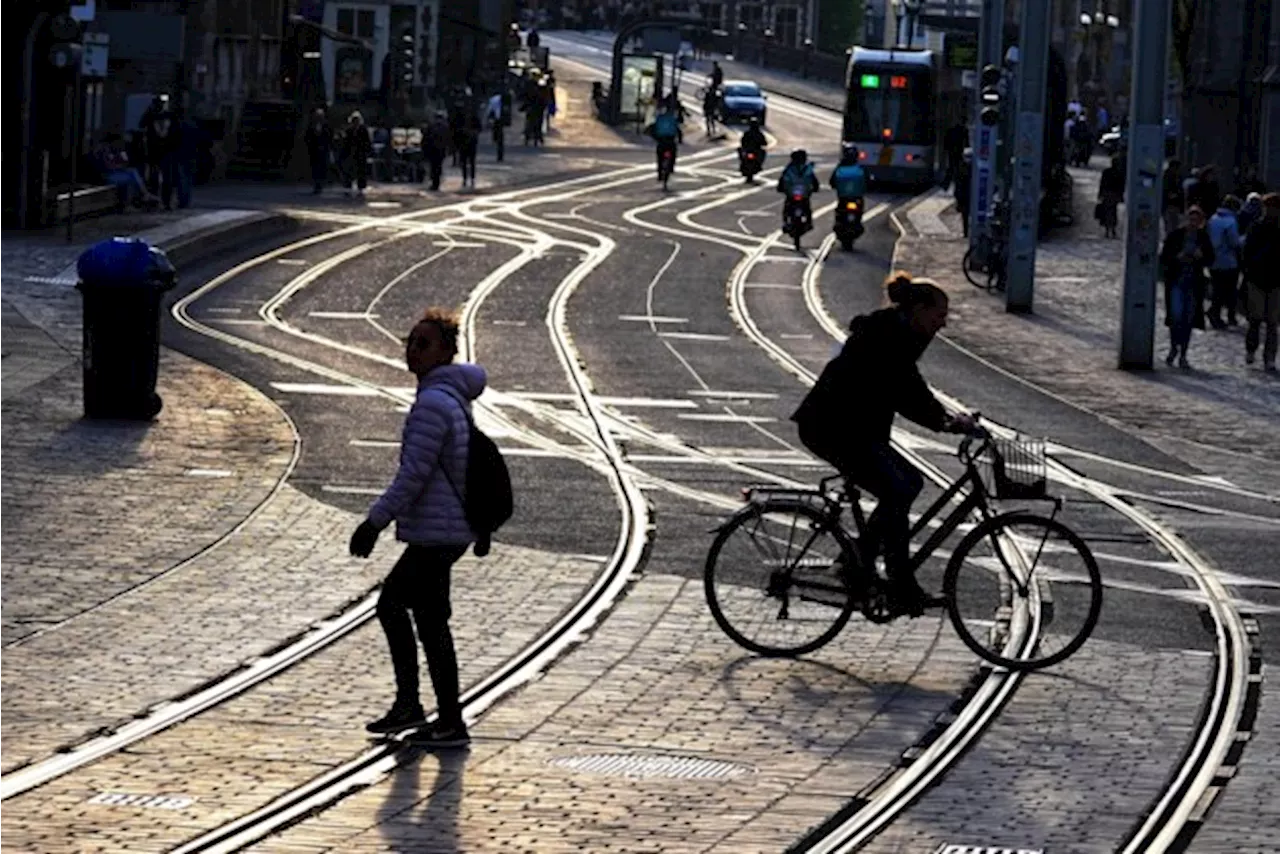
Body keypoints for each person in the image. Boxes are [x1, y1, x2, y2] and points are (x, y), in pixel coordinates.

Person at [791, 273, 978, 616]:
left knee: (909, 483)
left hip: (853, 428)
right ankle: (893, 580)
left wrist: (944, 419)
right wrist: (946, 422)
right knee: (896, 489)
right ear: (919, 310)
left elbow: (910, 387)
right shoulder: (890, 336)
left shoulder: (897, 332)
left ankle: (863, 563)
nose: (942, 324)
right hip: (833, 427)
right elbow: (907, 390)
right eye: (938, 316)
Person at [349, 307, 488, 749]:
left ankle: (413, 705)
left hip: (437, 533)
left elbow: (414, 475)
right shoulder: (451, 397)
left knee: (391, 605)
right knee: (430, 620)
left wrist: (374, 522)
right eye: (410, 342)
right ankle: (447, 719)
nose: (413, 351)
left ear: (448, 352)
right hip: (448, 529)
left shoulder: (433, 403)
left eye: (424, 344)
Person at [1159, 205, 1215, 368]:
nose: (1193, 222)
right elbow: (1164, 258)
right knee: (1176, 317)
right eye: (1191, 219)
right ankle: (1173, 347)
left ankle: (1183, 352)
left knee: (1188, 319)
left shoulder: (1203, 238)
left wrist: (1201, 257)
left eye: (1197, 220)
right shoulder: (1176, 235)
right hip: (1176, 281)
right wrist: (1177, 257)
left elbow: (1211, 258)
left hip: (1194, 283)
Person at [1242, 193, 1280, 371]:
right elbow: (1247, 252)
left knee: (1272, 322)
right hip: (1257, 279)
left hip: (1276, 281)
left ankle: (1270, 357)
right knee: (1255, 319)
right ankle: (1251, 349)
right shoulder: (1256, 227)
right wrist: (1249, 271)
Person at [92, 133, 156, 209]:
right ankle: (141, 197)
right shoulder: (103, 150)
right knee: (132, 178)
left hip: (113, 173)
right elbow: (108, 167)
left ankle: (143, 196)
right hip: (106, 176)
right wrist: (119, 164)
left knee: (133, 172)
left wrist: (121, 160)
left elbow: (124, 162)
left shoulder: (114, 149)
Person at [1207, 195, 1243, 328]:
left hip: (1213, 260)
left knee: (1217, 289)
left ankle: (1215, 313)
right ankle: (1224, 315)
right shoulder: (1230, 221)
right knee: (1229, 290)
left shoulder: (1213, 218)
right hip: (1228, 260)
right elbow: (1234, 242)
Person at [777, 149, 819, 228]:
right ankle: (809, 222)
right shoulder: (807, 168)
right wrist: (815, 188)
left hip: (794, 194)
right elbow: (814, 181)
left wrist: (780, 188)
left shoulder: (789, 169)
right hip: (801, 194)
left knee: (788, 206)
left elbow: (782, 180)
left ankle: (786, 222)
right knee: (806, 206)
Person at [647, 102, 682, 179]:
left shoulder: (659, 118)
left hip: (661, 140)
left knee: (659, 156)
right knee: (673, 153)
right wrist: (680, 139)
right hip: (670, 139)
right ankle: (671, 167)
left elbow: (653, 129)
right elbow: (678, 130)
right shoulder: (672, 118)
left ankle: (659, 172)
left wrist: (655, 137)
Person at [304, 108, 334, 195]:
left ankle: (320, 184)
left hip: (324, 150)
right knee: (315, 168)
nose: (319, 118)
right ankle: (316, 184)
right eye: (317, 116)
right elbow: (308, 137)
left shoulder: (326, 126)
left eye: (320, 116)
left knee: (322, 168)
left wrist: (327, 146)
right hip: (314, 151)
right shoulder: (311, 126)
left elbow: (330, 137)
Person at [344, 111, 372, 197]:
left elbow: (367, 142)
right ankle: (348, 186)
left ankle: (361, 187)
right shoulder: (349, 130)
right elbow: (346, 142)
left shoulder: (363, 130)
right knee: (350, 170)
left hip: (361, 153)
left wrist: (367, 152)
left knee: (361, 171)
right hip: (351, 153)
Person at [1097, 155, 1125, 238]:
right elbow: (1121, 186)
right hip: (1114, 195)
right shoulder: (1119, 173)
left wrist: (1100, 194)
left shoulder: (1106, 172)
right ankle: (1112, 230)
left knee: (1107, 212)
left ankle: (1107, 231)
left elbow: (1102, 183)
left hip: (1107, 194)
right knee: (1113, 212)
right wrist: (1121, 196)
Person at [457, 107, 481, 188]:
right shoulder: (460, 117)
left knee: (471, 162)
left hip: (471, 143)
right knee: (464, 162)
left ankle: (472, 178)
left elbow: (479, 128)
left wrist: (474, 134)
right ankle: (465, 178)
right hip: (463, 142)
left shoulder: (474, 117)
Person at [1162, 160, 1185, 237]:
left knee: (1173, 226)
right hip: (1170, 205)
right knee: (1171, 226)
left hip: (1174, 205)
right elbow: (1167, 192)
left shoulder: (1177, 176)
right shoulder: (1168, 177)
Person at [941, 120, 967, 190]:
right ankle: (956, 184)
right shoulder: (964, 130)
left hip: (951, 151)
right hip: (959, 151)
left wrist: (945, 149)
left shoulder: (951, 130)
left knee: (951, 168)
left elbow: (946, 141)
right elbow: (967, 143)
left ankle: (946, 184)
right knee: (957, 169)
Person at [954, 148, 973, 238]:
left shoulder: (962, 168)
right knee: (966, 215)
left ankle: (966, 232)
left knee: (965, 216)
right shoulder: (964, 168)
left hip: (965, 196)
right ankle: (967, 232)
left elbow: (958, 184)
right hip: (965, 196)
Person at [486, 91, 505, 162]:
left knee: (498, 137)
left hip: (497, 120)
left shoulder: (493, 99)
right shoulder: (504, 99)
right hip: (501, 120)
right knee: (500, 138)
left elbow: (490, 110)